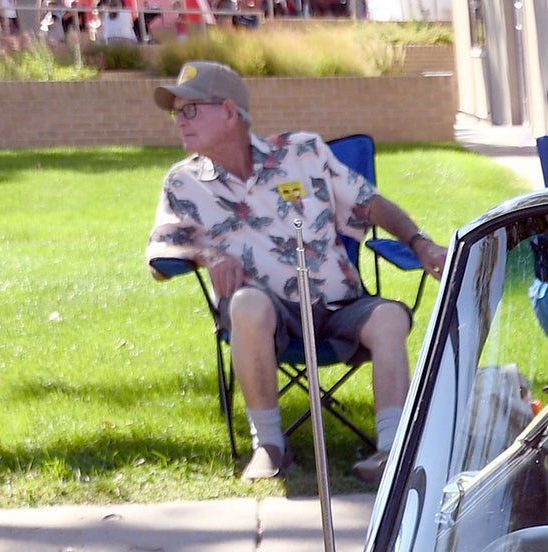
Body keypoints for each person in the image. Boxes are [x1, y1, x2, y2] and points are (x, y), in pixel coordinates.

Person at [145, 58, 449, 484]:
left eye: (190, 110)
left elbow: (369, 203)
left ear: (230, 112)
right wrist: (206, 254)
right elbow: (161, 254)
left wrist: (419, 242)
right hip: (270, 320)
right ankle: (269, 446)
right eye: (177, 112)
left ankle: (390, 449)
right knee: (246, 304)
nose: (180, 121)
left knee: (390, 316)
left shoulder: (302, 152)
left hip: (339, 306)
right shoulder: (183, 183)